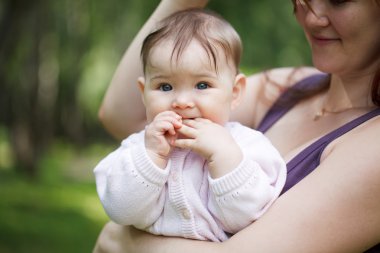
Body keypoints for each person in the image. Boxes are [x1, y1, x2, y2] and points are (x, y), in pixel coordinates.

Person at [94, 0, 380, 252]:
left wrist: (122, 242)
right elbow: (123, 116)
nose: (313, 17)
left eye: (340, 0)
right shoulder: (290, 87)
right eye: (303, 0)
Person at [94, 8, 286, 243]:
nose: (182, 102)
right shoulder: (138, 148)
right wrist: (151, 158)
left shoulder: (248, 147)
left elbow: (248, 217)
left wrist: (224, 156)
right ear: (144, 94)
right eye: (165, 87)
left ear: (234, 93)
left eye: (202, 85)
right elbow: (120, 211)